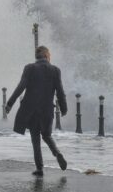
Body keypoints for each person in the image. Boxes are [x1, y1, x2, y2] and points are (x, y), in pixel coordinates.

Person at [5, 46, 68, 177]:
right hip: (47, 110)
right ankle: (57, 153)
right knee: (46, 135)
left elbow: (20, 87)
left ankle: (39, 168)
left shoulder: (30, 68)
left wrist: (10, 103)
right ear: (46, 55)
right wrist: (64, 108)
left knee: (35, 139)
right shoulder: (55, 70)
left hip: (32, 110)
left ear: (37, 56)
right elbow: (60, 92)